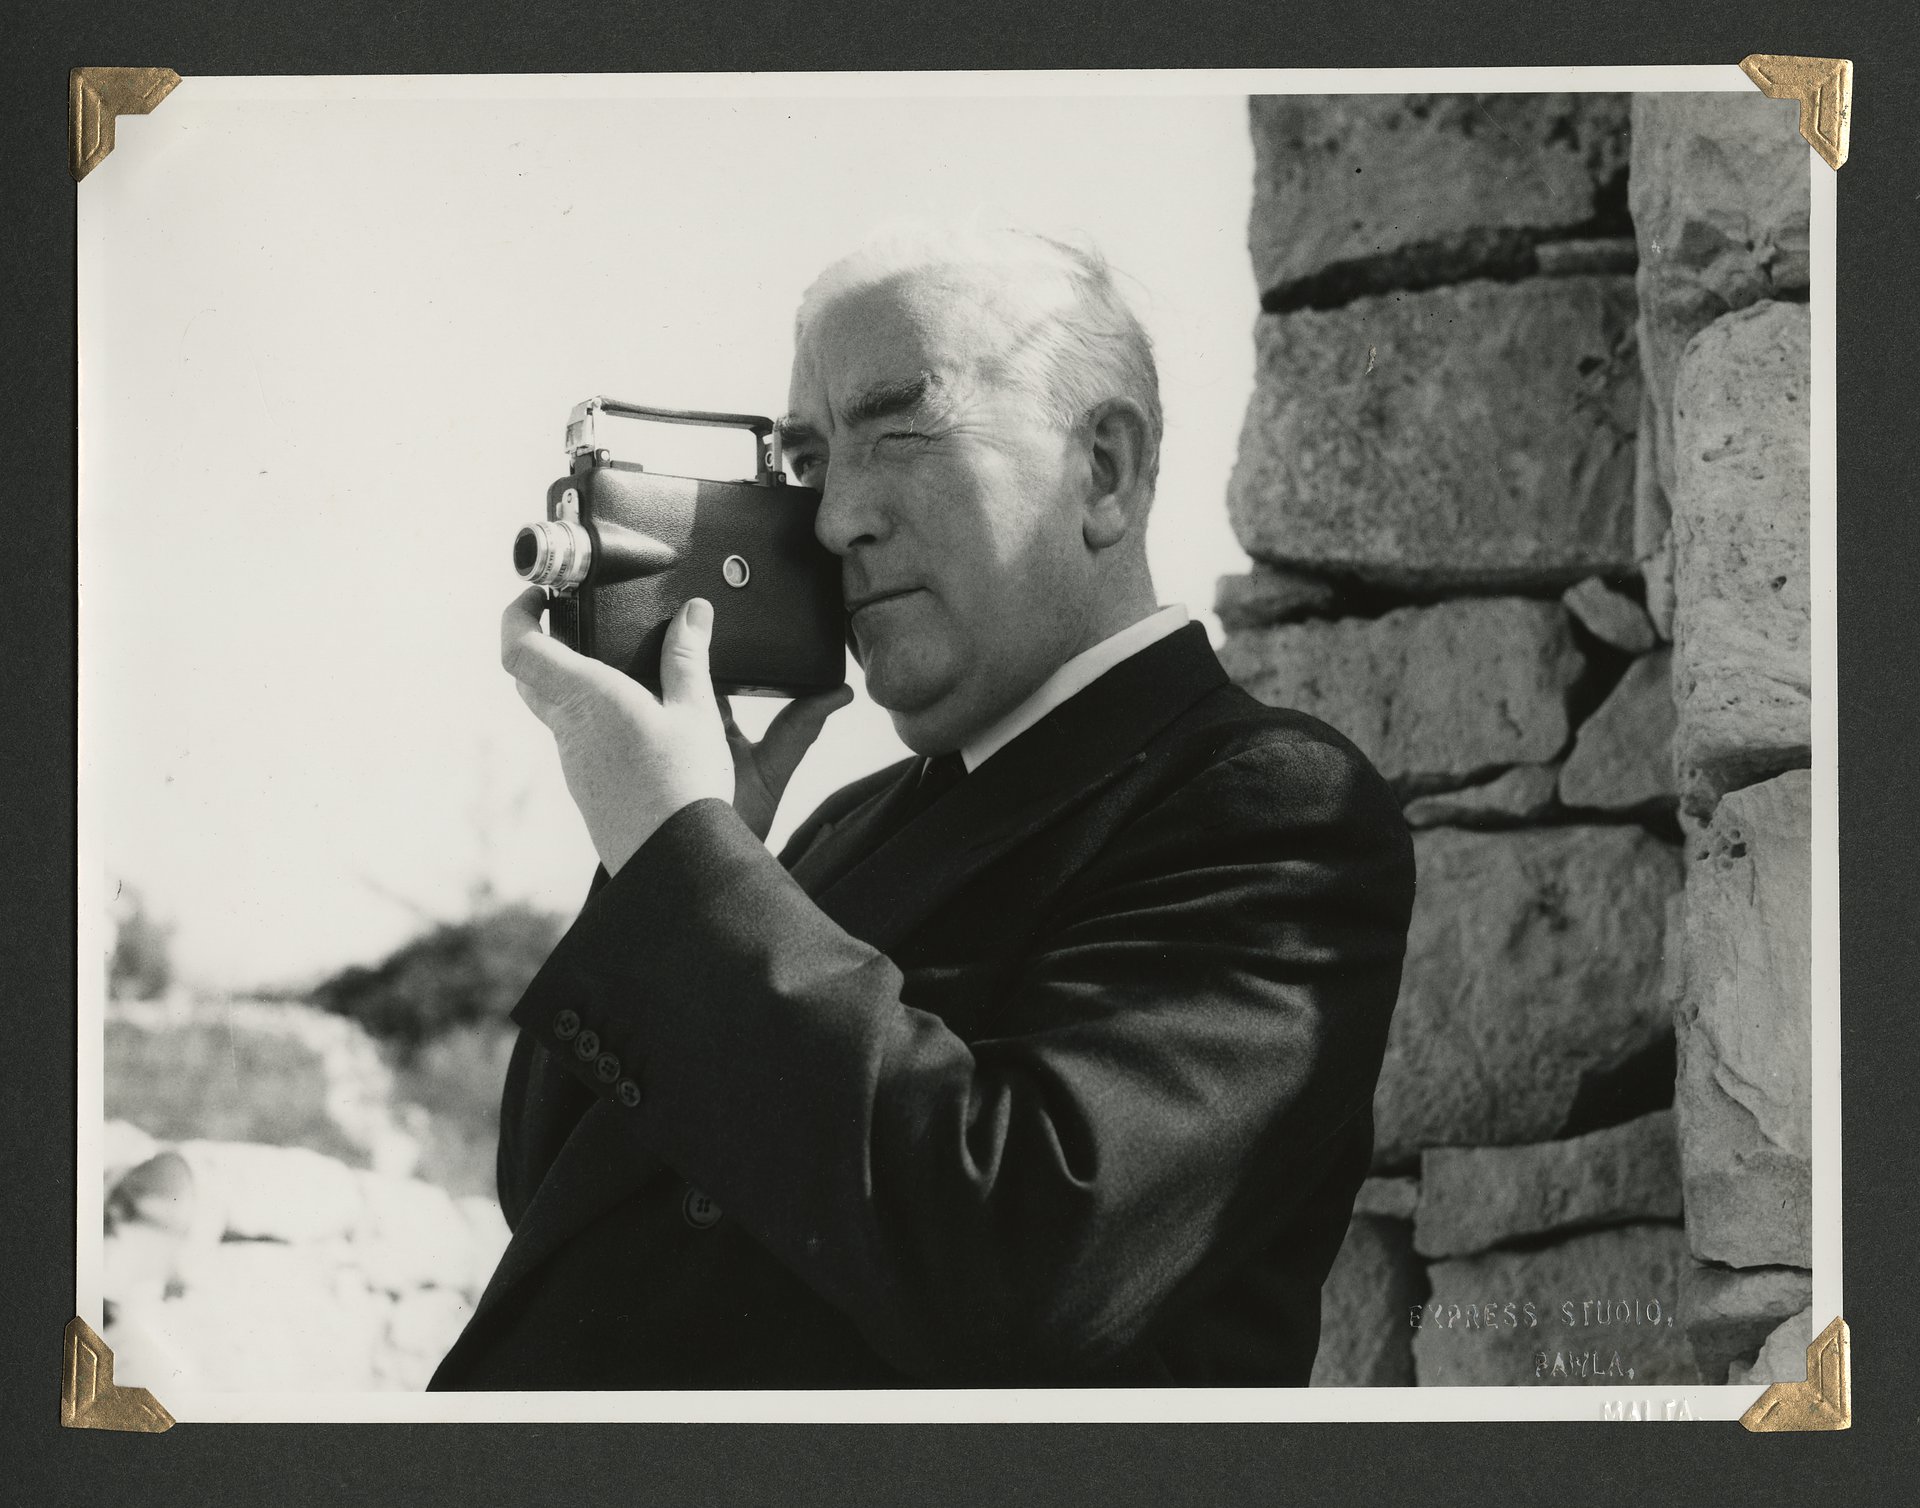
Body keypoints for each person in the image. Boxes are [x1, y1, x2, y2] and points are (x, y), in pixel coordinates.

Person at [429, 227, 1415, 1390]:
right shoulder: (843, 822)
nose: (837, 517)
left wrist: (681, 862)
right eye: (806, 462)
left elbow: (1029, 1256)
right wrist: (688, 860)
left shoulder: (1271, 804)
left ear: (1103, 469)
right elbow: (549, 1191)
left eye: (897, 430)